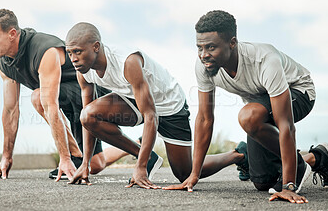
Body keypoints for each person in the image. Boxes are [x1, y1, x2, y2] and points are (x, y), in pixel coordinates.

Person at [163, 10, 328, 204]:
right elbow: (204, 119)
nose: (204, 55)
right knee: (262, 181)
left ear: (232, 43)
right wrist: (194, 175)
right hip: (261, 105)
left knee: (248, 117)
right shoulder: (204, 65)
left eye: (211, 47)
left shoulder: (264, 60)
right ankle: (318, 158)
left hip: (299, 92)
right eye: (199, 48)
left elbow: (285, 124)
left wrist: (288, 186)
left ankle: (298, 168)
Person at [64, 22, 252, 189]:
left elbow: (151, 115)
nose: (73, 58)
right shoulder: (83, 70)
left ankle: (239, 154)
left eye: (78, 51)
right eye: (69, 52)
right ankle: (145, 155)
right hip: (131, 100)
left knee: (185, 173)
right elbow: (86, 122)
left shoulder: (128, 61)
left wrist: (141, 168)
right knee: (88, 115)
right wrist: (85, 163)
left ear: (96, 47)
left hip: (168, 103)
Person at [0, 9, 129, 181]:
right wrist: (6, 156)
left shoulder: (44, 50)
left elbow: (49, 104)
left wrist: (65, 159)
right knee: (96, 165)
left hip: (89, 92)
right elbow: (10, 111)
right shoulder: (4, 63)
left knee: (38, 97)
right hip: (64, 101)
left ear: (12, 34)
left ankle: (74, 156)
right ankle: (136, 146)